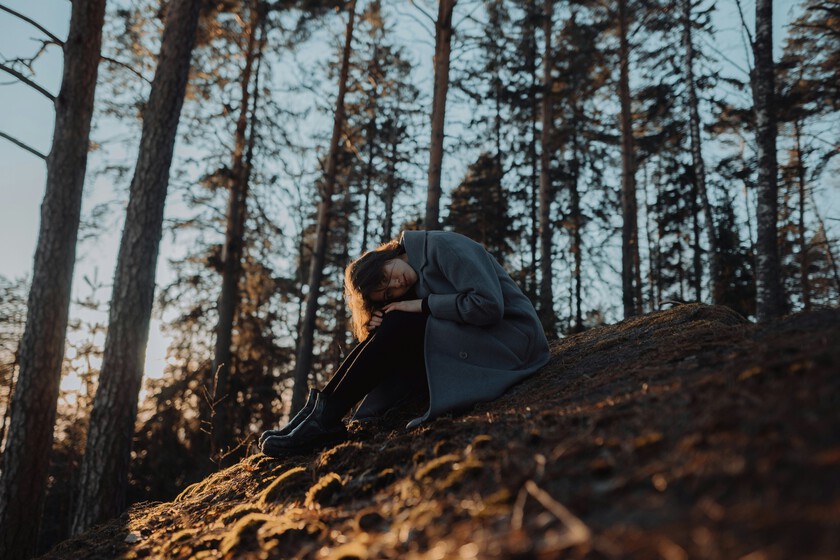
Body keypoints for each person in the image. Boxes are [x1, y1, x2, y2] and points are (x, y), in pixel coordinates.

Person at [260, 230, 550, 457]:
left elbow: (488, 306)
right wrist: (379, 321)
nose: (396, 286)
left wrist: (419, 306)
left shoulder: (443, 247)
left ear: (388, 255)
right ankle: (317, 413)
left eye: (387, 277)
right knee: (395, 320)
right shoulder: (414, 282)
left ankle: (326, 418)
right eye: (386, 293)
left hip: (514, 339)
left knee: (402, 318)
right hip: (484, 339)